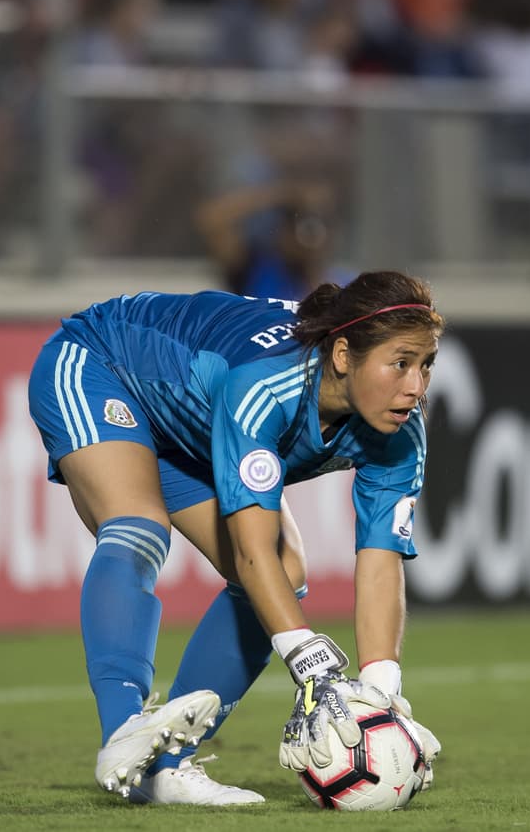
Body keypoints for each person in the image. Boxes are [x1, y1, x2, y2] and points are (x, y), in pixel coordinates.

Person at [27, 271, 444, 805]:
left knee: (286, 573)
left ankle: (166, 767)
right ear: (343, 355)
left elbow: (382, 558)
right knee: (139, 524)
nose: (416, 386)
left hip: (191, 424)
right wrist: (308, 660)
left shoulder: (403, 432)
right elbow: (250, 552)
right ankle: (123, 732)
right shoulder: (267, 385)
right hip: (101, 362)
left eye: (426, 364)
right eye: (401, 363)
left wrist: (382, 691)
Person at [196, 179, 351, 301]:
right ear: (282, 234)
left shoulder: (344, 285)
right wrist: (284, 194)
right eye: (299, 228)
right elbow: (213, 219)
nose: (308, 240)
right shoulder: (255, 269)